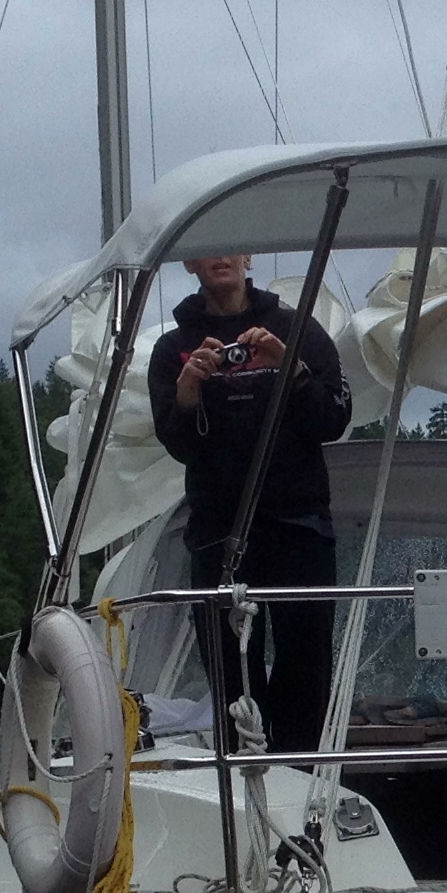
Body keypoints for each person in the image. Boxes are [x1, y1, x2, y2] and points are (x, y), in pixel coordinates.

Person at [145, 251, 353, 755]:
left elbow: (335, 419)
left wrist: (290, 367)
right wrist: (189, 390)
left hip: (299, 526)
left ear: (247, 256)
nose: (220, 256)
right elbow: (179, 446)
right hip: (218, 534)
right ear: (190, 264)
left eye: (230, 247)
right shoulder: (172, 349)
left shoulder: (297, 331)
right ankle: (243, 777)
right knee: (231, 681)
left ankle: (300, 779)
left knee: (306, 672)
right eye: (207, 249)